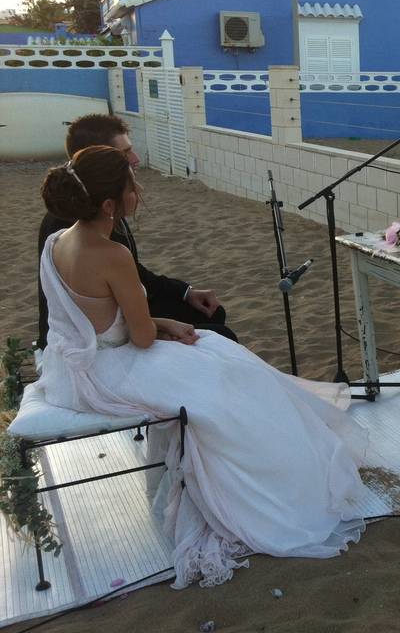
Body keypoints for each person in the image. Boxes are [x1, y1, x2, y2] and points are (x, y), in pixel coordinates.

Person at [37, 145, 367, 588]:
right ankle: (268, 483)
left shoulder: (57, 242)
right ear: (110, 205)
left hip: (77, 364)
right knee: (228, 374)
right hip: (112, 367)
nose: (139, 188)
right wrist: (163, 327)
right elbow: (140, 338)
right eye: (131, 184)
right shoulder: (112, 254)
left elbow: (95, 320)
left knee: (219, 354)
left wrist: (164, 320)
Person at [36, 113, 236, 348]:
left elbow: (124, 279)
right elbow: (135, 333)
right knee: (222, 340)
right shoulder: (76, 224)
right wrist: (159, 329)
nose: (135, 159)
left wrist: (183, 293)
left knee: (213, 317)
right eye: (124, 154)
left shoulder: (68, 230)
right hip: (100, 345)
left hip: (109, 324)